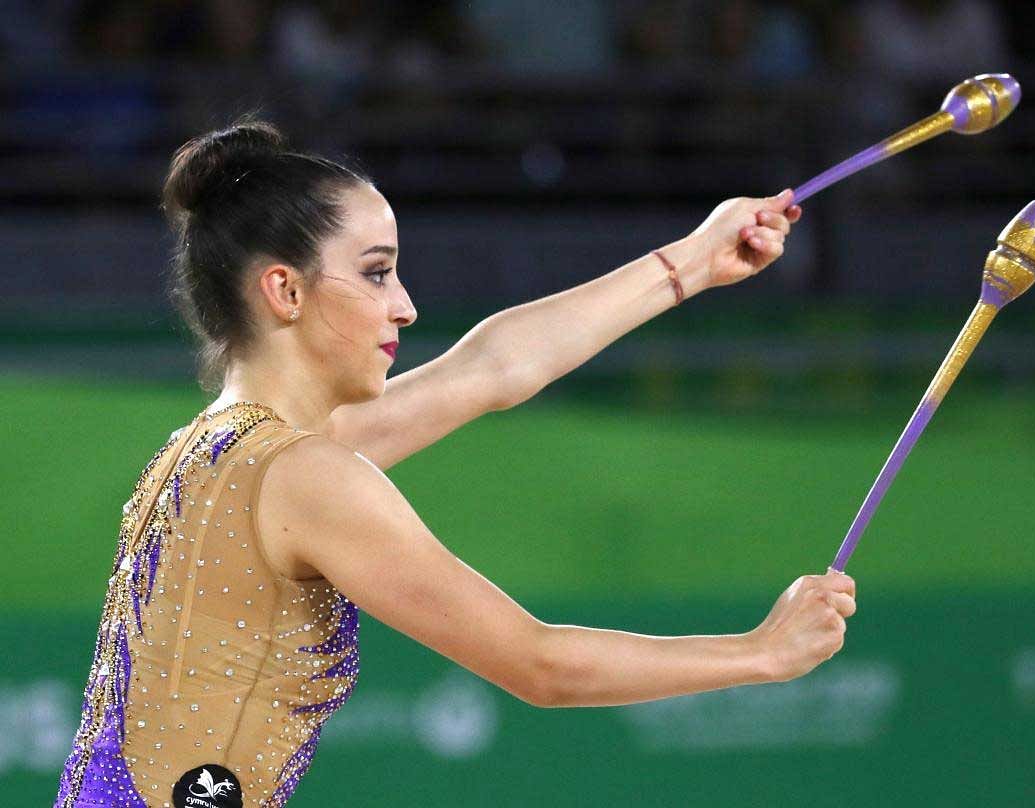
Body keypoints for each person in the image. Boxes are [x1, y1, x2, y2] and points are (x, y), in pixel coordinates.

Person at [55, 119, 857, 808]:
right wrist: (763, 652)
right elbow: (538, 664)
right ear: (285, 291)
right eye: (375, 272)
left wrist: (690, 262)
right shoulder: (310, 476)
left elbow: (489, 370)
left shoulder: (218, 451)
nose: (405, 303)